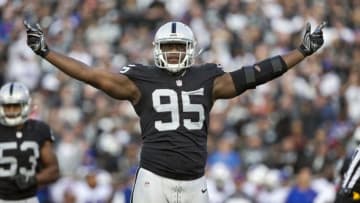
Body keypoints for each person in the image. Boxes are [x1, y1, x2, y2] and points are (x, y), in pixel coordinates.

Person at [24, 20, 325, 203]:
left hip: (195, 180)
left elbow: (255, 74)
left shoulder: (208, 79)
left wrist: (303, 51)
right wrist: (46, 51)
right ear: (157, 49)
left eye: (178, 47)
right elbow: (91, 75)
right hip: (154, 179)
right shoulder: (140, 80)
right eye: (168, 48)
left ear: (190, 49)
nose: (173, 53)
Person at [0, 82, 59, 203]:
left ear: (25, 106)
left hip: (27, 199)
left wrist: (32, 179)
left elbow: (54, 170)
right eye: (7, 106)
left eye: (15, 106)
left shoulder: (39, 129)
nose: (11, 111)